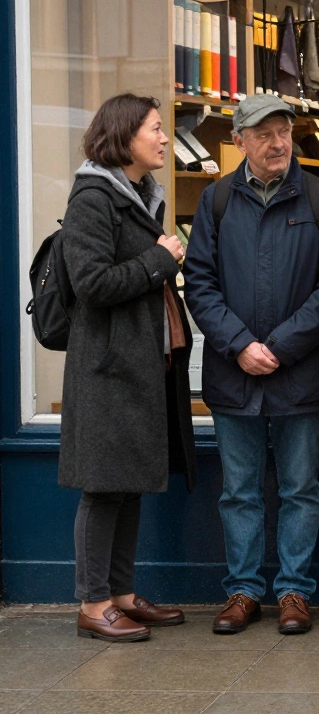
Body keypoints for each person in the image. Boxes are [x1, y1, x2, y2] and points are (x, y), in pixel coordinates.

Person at [184, 94, 319, 636]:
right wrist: (239, 345)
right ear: (239, 141)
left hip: (301, 372)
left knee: (301, 487)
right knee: (239, 490)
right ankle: (243, 591)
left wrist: (278, 346)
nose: (278, 144)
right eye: (264, 134)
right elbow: (199, 284)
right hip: (234, 374)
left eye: (284, 132)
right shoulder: (216, 201)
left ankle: (295, 590)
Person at [59, 93, 195, 642]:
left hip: (138, 363)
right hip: (107, 367)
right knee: (102, 487)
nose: (165, 139)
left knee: (129, 484)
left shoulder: (137, 195)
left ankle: (119, 592)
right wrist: (160, 259)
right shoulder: (94, 198)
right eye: (156, 129)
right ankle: (93, 604)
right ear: (124, 136)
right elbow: (91, 283)